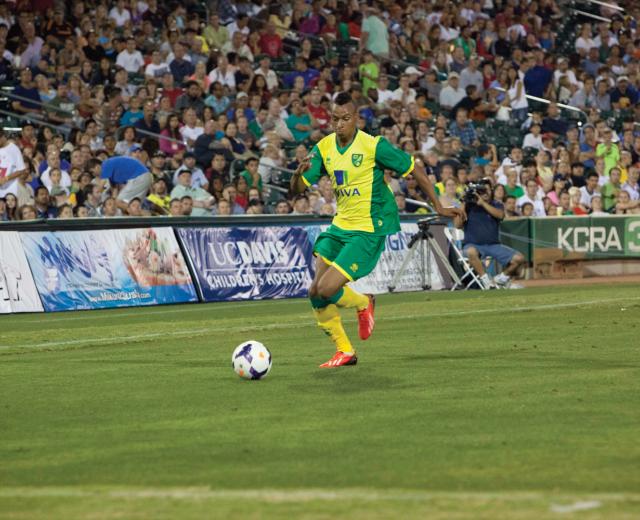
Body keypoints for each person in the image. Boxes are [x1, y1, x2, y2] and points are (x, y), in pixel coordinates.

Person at [290, 92, 461, 368]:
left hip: (368, 228)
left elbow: (413, 169)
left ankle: (361, 302)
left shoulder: (373, 146)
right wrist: (297, 175)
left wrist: (439, 206)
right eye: (335, 119)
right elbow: (297, 189)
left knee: (326, 287)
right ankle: (345, 350)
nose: (339, 124)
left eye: (345, 118)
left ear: (356, 119)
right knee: (314, 292)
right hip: (339, 226)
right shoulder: (324, 148)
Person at [454, 181, 525, 289]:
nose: (485, 193)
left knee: (519, 258)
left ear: (491, 191)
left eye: (487, 190)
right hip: (473, 244)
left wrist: (482, 203)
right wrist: (463, 203)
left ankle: (501, 279)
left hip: (493, 245)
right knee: (470, 252)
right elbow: (458, 225)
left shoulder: (496, 204)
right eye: (481, 191)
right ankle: (486, 281)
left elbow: (500, 215)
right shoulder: (469, 206)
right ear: (476, 192)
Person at [0, 128, 27, 200]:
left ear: (2, 136)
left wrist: (6, 178)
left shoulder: (13, 148)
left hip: (10, 189)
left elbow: (21, 169)